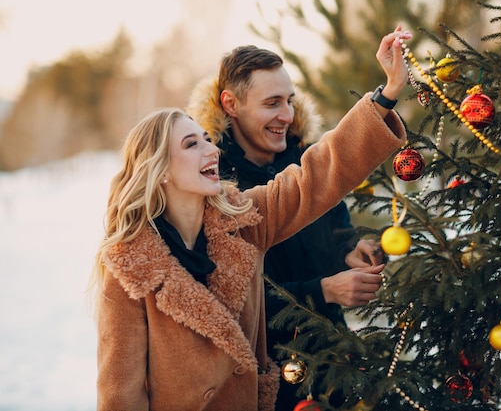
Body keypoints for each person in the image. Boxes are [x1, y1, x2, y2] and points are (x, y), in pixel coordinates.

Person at [90, 25, 411, 411]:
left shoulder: (245, 221)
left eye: (205, 140)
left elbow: (320, 173)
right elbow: (119, 393)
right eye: (191, 144)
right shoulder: (131, 267)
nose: (209, 150)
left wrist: (387, 94)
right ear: (159, 170)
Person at [186, 35, 398, 409]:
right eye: (272, 103)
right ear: (230, 104)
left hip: (334, 360)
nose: (286, 115)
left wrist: (350, 251)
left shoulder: (300, 159)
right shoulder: (212, 185)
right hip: (268, 380)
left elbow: (335, 227)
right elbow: (227, 299)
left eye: (289, 100)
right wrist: (323, 290)